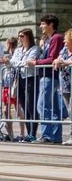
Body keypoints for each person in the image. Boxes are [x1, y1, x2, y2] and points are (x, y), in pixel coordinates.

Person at [27, 14, 65, 144]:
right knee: (53, 107)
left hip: (50, 75)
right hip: (47, 75)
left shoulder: (56, 38)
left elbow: (52, 58)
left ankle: (47, 135)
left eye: (43, 24)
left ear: (51, 25)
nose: (40, 26)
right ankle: (56, 136)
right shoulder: (49, 39)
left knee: (42, 106)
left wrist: (35, 62)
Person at [8, 28, 41, 142]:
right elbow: (13, 62)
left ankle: (33, 133)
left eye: (22, 36)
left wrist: (16, 63)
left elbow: (29, 62)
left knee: (31, 106)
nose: (19, 38)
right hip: (20, 78)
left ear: (28, 36)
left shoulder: (35, 48)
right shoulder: (18, 50)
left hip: (31, 78)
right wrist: (18, 63)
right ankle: (28, 133)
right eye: (19, 36)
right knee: (24, 107)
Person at [51, 28, 72, 146]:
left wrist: (64, 62)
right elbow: (58, 58)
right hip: (65, 85)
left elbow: (66, 61)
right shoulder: (64, 50)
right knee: (69, 112)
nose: (64, 42)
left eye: (66, 40)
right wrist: (57, 61)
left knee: (71, 111)